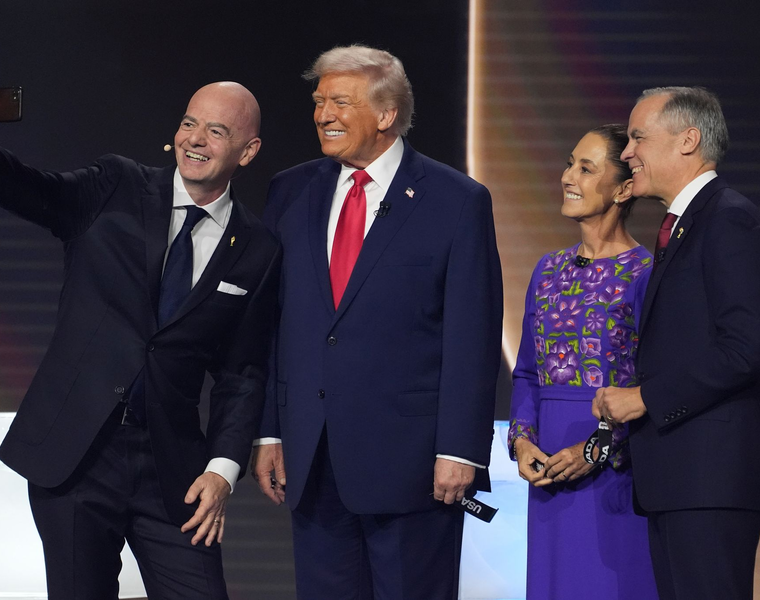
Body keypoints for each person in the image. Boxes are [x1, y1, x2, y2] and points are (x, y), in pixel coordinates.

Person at [0, 80, 281, 598]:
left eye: (216, 131)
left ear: (248, 151)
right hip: (76, 458)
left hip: (173, 470)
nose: (194, 140)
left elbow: (242, 372)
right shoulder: (117, 185)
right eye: (188, 123)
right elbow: (34, 191)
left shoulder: (258, 248)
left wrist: (222, 471)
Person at [251, 45, 502, 599]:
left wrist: (459, 450)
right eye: (318, 102)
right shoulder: (290, 191)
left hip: (414, 466)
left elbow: (473, 336)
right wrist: (270, 428)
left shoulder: (456, 200)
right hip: (312, 460)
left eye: (339, 101)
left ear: (387, 114)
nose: (322, 114)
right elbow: (272, 323)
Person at [593, 87, 760, 600]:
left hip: (709, 482)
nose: (626, 152)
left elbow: (746, 347)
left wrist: (645, 397)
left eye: (639, 136)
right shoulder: (686, 225)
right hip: (681, 479)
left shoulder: (728, 219)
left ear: (688, 140)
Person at [508, 124, 657, 599]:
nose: (567, 176)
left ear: (624, 188)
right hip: (549, 466)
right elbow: (529, 371)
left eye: (586, 168)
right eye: (571, 162)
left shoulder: (647, 274)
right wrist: (522, 441)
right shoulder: (548, 269)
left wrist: (595, 450)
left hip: (616, 471)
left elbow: (654, 385)